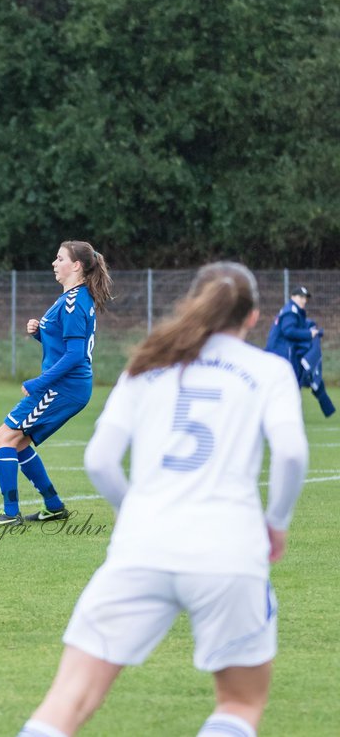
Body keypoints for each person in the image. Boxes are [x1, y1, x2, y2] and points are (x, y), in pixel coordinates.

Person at [18, 262, 308, 737]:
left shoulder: (148, 362)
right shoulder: (269, 370)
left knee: (67, 701)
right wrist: (276, 523)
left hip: (142, 547)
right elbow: (292, 455)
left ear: (193, 304)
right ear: (253, 317)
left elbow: (100, 460)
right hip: (229, 549)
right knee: (238, 704)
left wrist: (136, 515)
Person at [0, 240, 113, 526]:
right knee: (18, 443)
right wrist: (39, 333)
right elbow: (63, 344)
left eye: (60, 259)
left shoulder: (73, 302)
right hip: (69, 387)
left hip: (63, 387)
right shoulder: (73, 298)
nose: (54, 264)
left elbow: (75, 355)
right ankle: (54, 506)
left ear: (77, 266)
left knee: (4, 436)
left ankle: (10, 514)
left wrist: (38, 383)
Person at [264, 285, 335, 417]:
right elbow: (289, 331)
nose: (304, 300)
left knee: (288, 384)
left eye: (305, 297)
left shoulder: (294, 311)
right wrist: (309, 334)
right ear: (292, 297)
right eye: (300, 297)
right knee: (289, 383)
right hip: (282, 353)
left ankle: (287, 412)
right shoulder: (291, 311)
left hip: (282, 352)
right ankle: (286, 413)